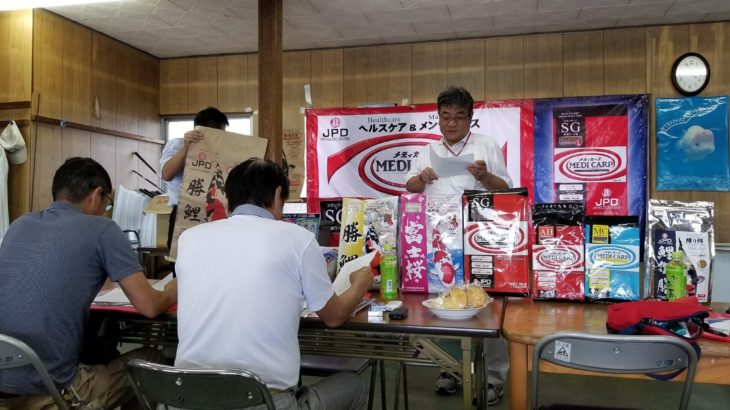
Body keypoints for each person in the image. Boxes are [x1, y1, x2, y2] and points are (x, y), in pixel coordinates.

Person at [175, 158, 374, 410]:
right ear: (278, 193)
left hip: (184, 399)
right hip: (263, 402)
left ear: (229, 197)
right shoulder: (297, 239)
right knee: (353, 385)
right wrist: (359, 282)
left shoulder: (190, 239)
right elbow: (334, 317)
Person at [0, 157, 178, 409]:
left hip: (3, 388)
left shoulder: (20, 225)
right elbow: (149, 306)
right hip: (53, 392)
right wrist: (172, 291)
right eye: (108, 204)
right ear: (96, 194)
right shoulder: (102, 229)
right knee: (152, 359)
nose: (106, 210)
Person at [405, 86, 510, 405]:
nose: (451, 124)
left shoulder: (485, 145)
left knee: (485, 305)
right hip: (440, 238)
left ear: (470, 119)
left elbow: (505, 188)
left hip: (478, 234)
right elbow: (409, 186)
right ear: (438, 118)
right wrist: (421, 178)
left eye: (458, 117)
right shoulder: (427, 149)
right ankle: (450, 369)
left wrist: (485, 175)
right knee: (445, 304)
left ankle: (493, 375)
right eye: (445, 117)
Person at [160, 106, 229, 252]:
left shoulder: (221, 151)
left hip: (215, 213)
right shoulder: (177, 144)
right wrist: (186, 148)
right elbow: (166, 174)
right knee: (183, 259)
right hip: (184, 212)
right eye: (218, 134)